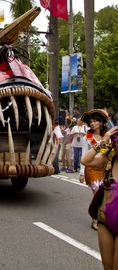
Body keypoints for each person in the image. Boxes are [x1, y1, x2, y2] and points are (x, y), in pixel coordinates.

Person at [81, 124, 118, 269]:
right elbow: (85, 161)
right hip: (104, 221)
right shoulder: (108, 159)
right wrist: (105, 139)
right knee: (107, 266)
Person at [79, 109, 108, 230]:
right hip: (91, 169)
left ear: (101, 123)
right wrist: (81, 173)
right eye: (91, 121)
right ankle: (95, 219)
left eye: (95, 121)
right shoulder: (87, 138)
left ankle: (105, 217)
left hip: (104, 169)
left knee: (106, 195)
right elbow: (84, 155)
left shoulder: (107, 137)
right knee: (98, 194)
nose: (93, 123)